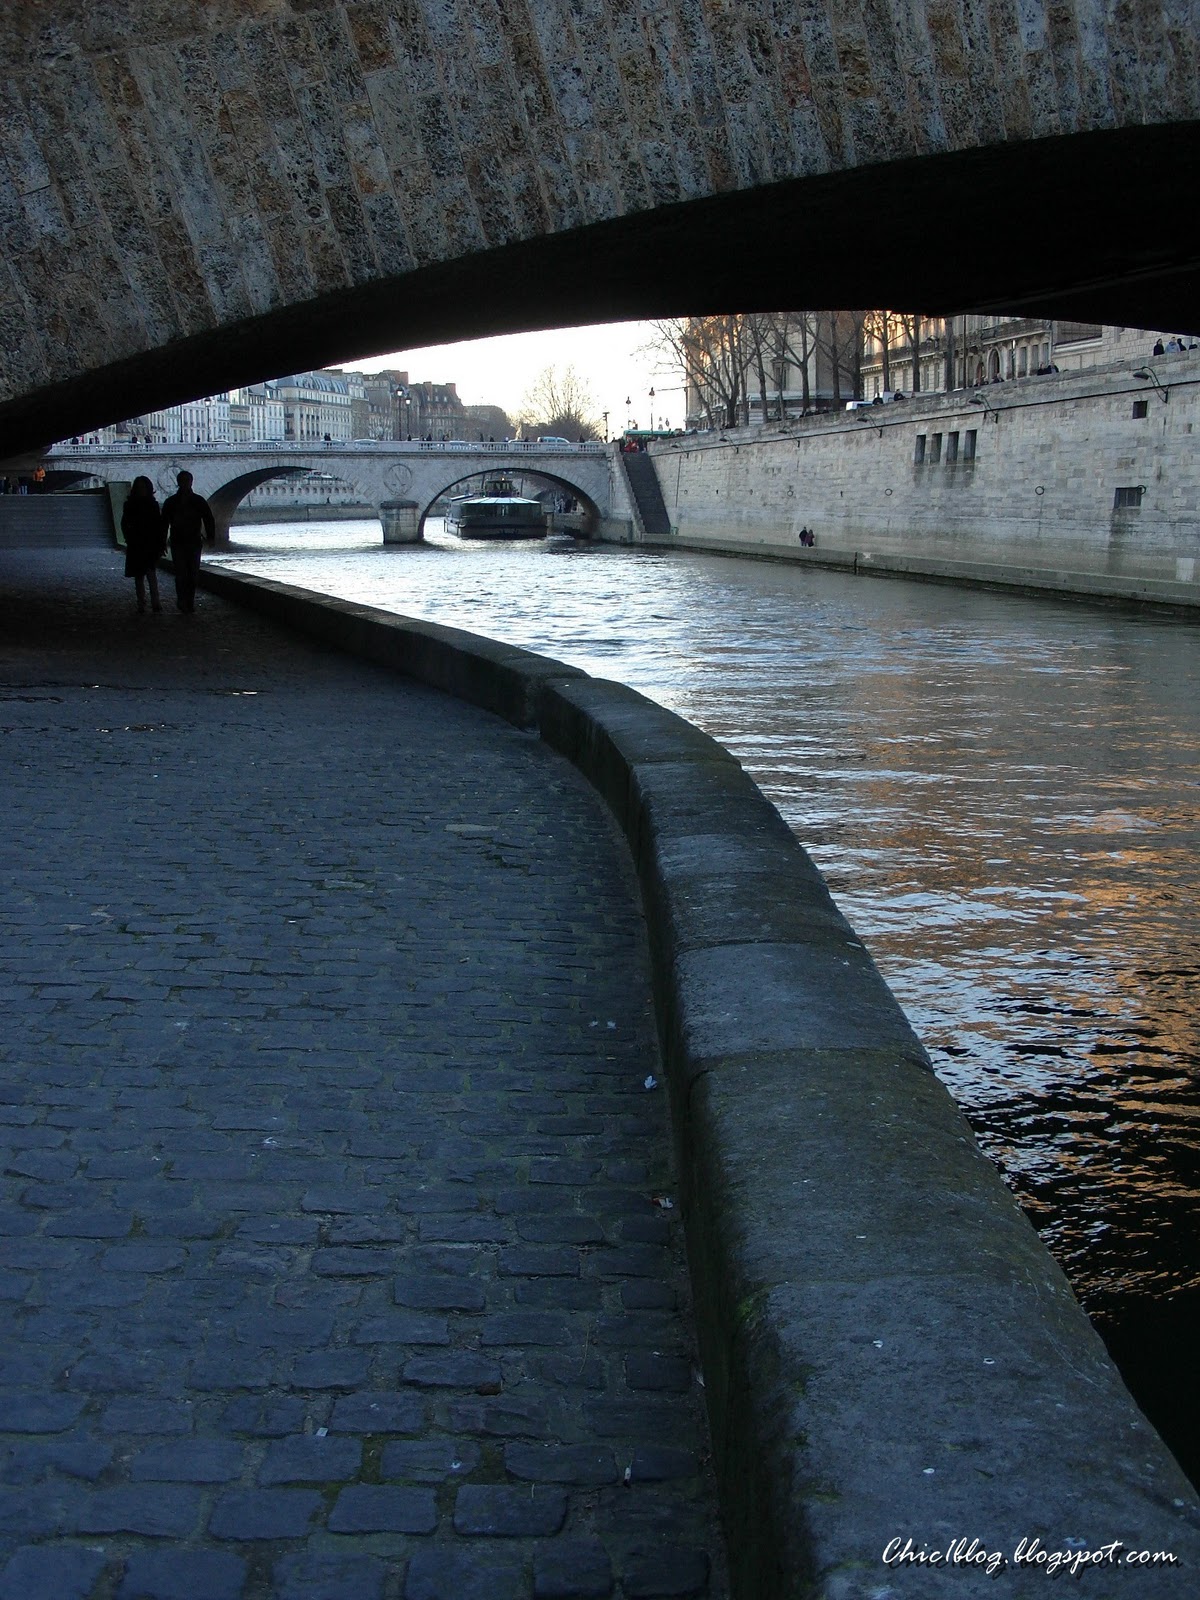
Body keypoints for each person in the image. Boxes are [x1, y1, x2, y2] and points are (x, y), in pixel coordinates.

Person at [160, 469, 214, 613]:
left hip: (184, 541)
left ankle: (186, 600)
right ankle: (186, 601)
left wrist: (162, 542)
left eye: (186, 481)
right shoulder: (197, 501)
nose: (185, 484)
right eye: (183, 481)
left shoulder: (171, 502)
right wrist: (211, 537)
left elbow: (164, 523)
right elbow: (208, 519)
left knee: (188, 574)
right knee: (185, 573)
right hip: (187, 541)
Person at [122, 476, 165, 613]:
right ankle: (143, 602)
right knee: (140, 575)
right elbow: (124, 523)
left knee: (149, 573)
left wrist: (160, 543)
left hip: (148, 544)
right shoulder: (142, 505)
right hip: (137, 543)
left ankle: (154, 602)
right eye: (140, 488)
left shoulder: (147, 505)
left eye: (143, 488)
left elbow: (158, 526)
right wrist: (129, 537)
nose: (142, 490)